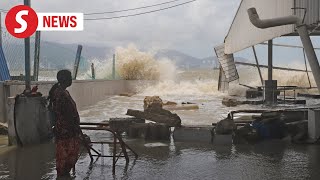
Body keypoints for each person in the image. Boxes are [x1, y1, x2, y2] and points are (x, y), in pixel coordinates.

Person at [48, 70, 81, 178]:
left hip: (67, 130)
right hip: (65, 130)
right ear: (64, 79)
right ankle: (62, 176)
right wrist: (75, 127)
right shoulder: (60, 94)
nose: (71, 79)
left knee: (69, 155)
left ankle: (64, 175)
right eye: (70, 77)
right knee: (66, 156)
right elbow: (66, 114)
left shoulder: (63, 92)